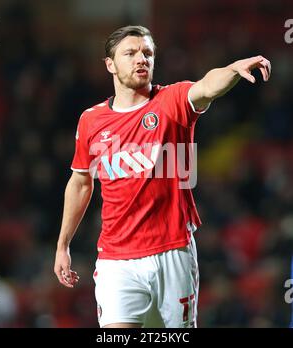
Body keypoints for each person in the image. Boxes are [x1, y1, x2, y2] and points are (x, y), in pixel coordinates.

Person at [54, 25, 271, 328]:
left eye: (147, 53)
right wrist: (63, 245)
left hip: (173, 251)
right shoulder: (91, 121)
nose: (141, 59)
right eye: (130, 53)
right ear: (110, 64)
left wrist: (232, 70)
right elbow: (80, 182)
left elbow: (207, 87)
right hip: (117, 259)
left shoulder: (171, 101)